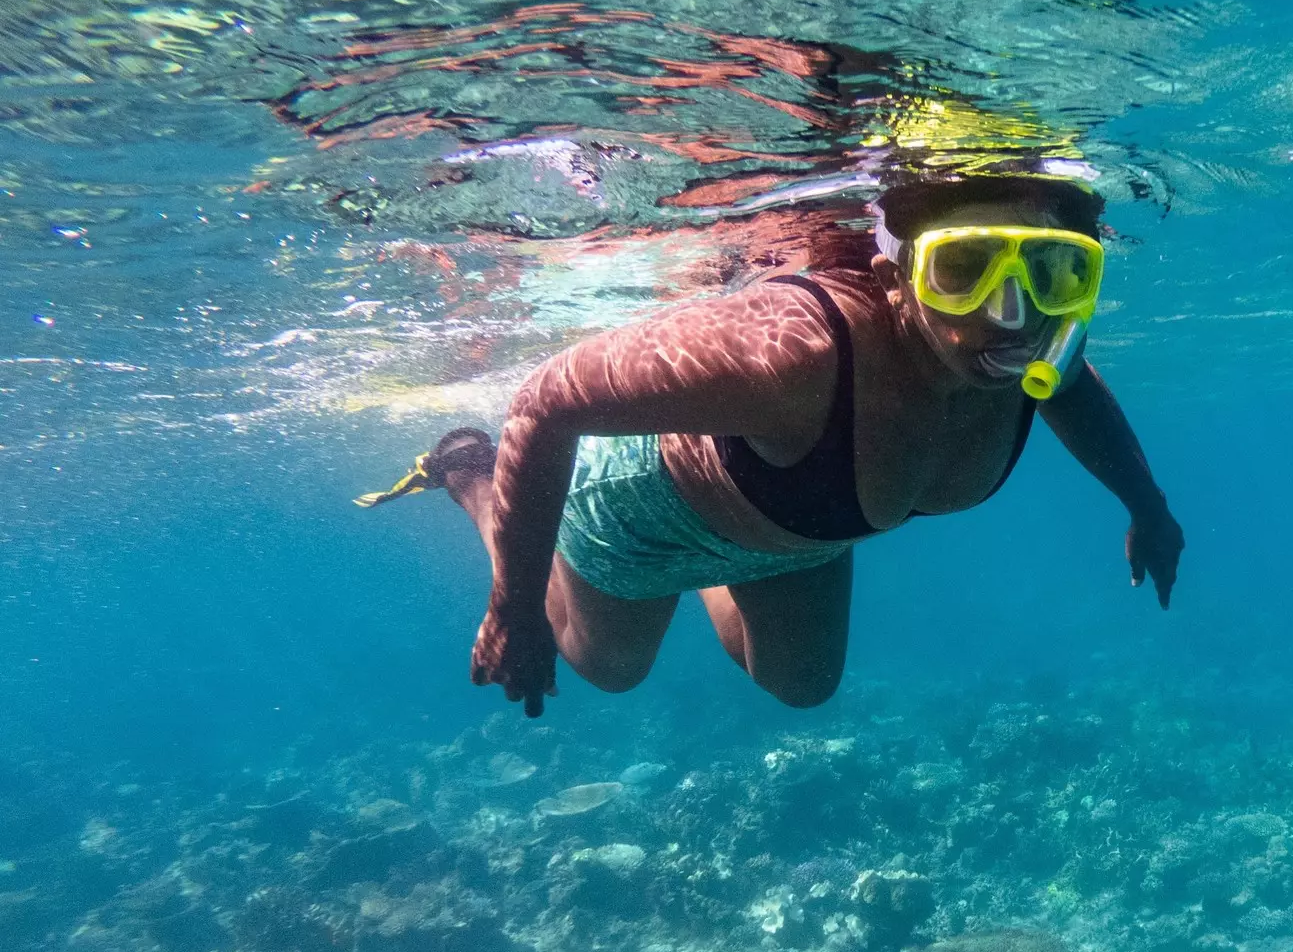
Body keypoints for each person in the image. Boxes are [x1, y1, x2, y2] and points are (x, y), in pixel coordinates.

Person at [359, 170, 1184, 716]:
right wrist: (512, 607)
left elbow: (1071, 391)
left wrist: (1148, 506)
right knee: (611, 669)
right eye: (962, 268)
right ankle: (469, 469)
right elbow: (544, 399)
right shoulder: (797, 353)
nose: (1011, 313)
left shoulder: (1031, 349)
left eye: (1052, 269)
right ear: (895, 274)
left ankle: (724, 555)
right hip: (645, 513)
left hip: (791, 531)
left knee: (801, 687)